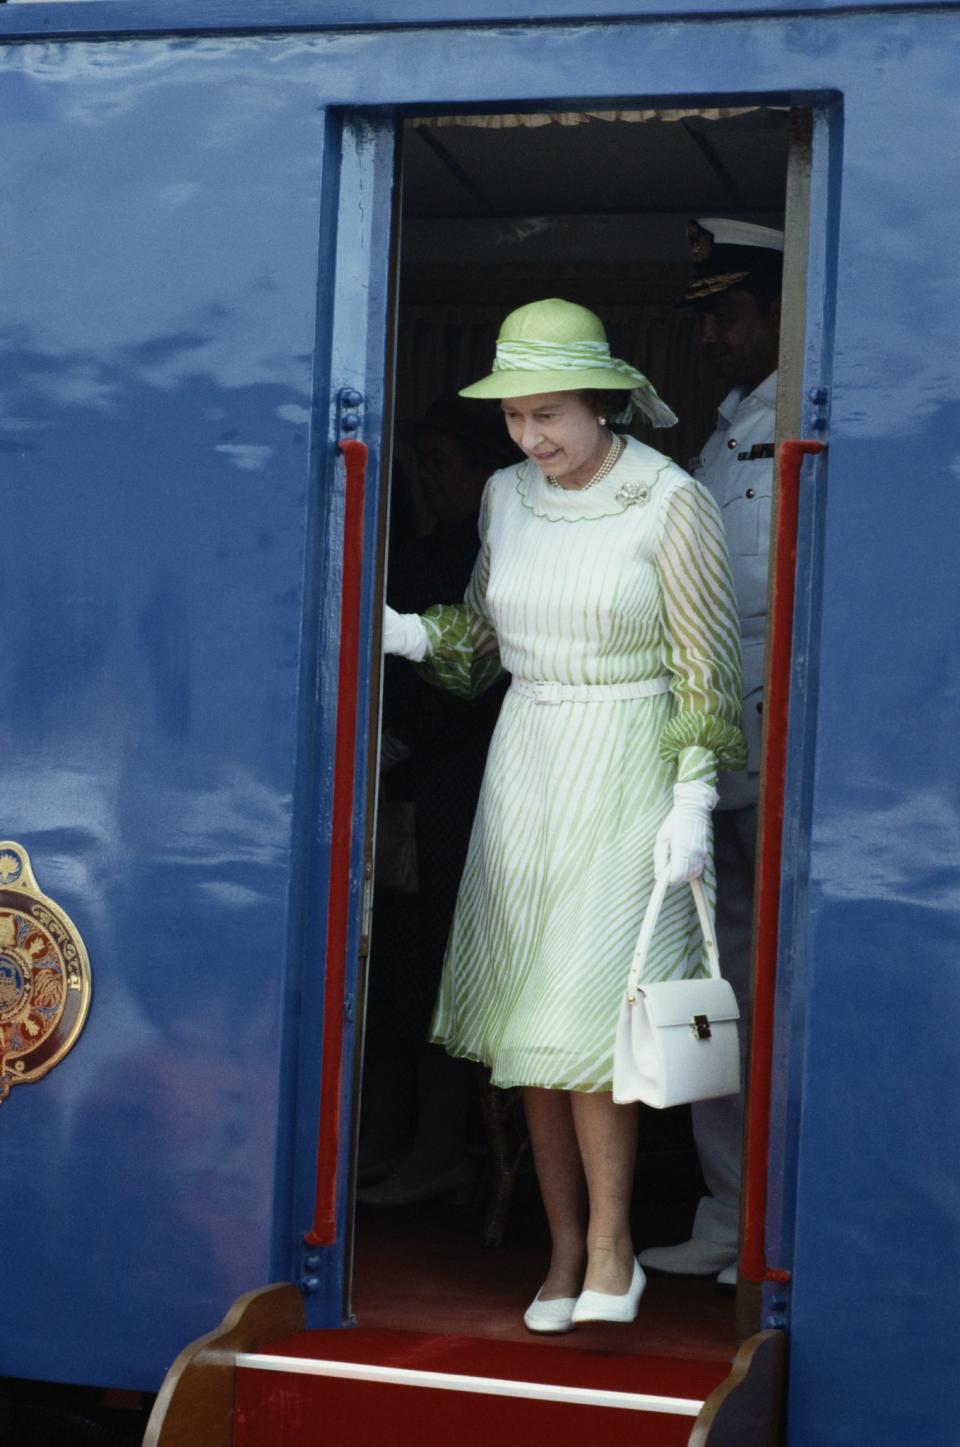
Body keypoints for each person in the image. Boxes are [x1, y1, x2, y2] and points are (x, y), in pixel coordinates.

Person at [383, 297, 746, 1333]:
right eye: (514, 417)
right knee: (528, 1022)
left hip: (631, 764)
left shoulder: (669, 499)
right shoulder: (503, 496)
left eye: (550, 415)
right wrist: (408, 632)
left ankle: (614, 1248)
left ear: (604, 401)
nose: (531, 437)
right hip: (527, 760)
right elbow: (485, 646)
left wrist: (691, 795)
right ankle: (560, 1250)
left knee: (592, 1015)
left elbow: (706, 670)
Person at [638, 218, 783, 1291]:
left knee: (786, 996)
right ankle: (729, 1211)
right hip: (712, 761)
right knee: (716, 991)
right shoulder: (724, 434)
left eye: (727, 316)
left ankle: (780, 1222)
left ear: (784, 314)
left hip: (784, 762)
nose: (711, 338)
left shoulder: (801, 425)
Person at [359, 396, 514, 1203]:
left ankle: (437, 1151)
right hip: (395, 787)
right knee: (388, 965)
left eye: (443, 462)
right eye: (424, 461)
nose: (430, 476)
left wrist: (408, 738)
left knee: (440, 969)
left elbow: (479, 686)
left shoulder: (494, 558)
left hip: (459, 787)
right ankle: (383, 1143)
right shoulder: (418, 552)